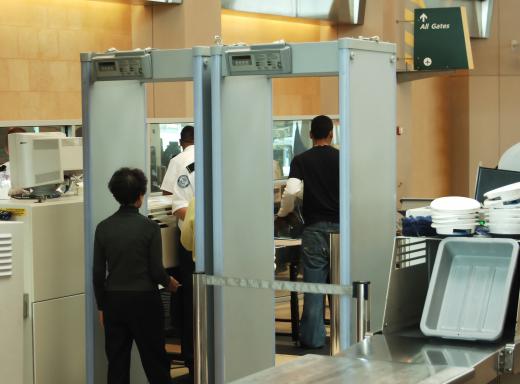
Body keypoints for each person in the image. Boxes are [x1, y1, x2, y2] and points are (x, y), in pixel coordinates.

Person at [93, 167, 180, 384]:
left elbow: (97, 273)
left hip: (114, 302)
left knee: (117, 363)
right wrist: (170, 283)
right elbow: (156, 271)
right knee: (155, 361)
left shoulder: (103, 228)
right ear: (140, 196)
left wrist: (101, 306)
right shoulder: (149, 227)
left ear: (116, 194)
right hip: (145, 302)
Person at [276, 115, 339, 349]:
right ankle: (344, 338)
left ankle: (313, 340)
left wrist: (283, 213)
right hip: (341, 230)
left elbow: (291, 190)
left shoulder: (301, 159)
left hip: (314, 229)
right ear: (331, 134)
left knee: (314, 286)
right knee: (340, 285)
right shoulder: (341, 158)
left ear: (310, 135)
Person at [160, 125, 195, 377]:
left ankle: (192, 354)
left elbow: (170, 198)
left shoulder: (179, 160)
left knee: (189, 298)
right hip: (206, 240)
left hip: (189, 240)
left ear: (182, 141)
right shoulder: (215, 156)